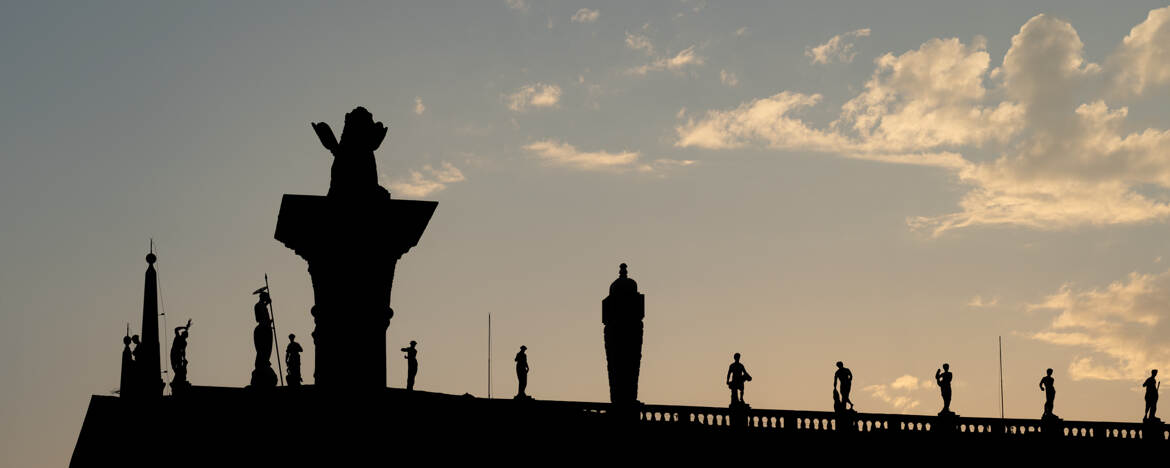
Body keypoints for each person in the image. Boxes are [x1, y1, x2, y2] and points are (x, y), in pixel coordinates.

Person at [170, 319, 192, 389]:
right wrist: (184, 327)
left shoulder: (184, 342)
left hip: (177, 355)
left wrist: (184, 358)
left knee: (178, 368)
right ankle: (178, 379)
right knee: (175, 368)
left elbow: (183, 351)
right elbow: (176, 329)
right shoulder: (178, 337)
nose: (182, 334)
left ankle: (178, 380)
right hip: (174, 354)